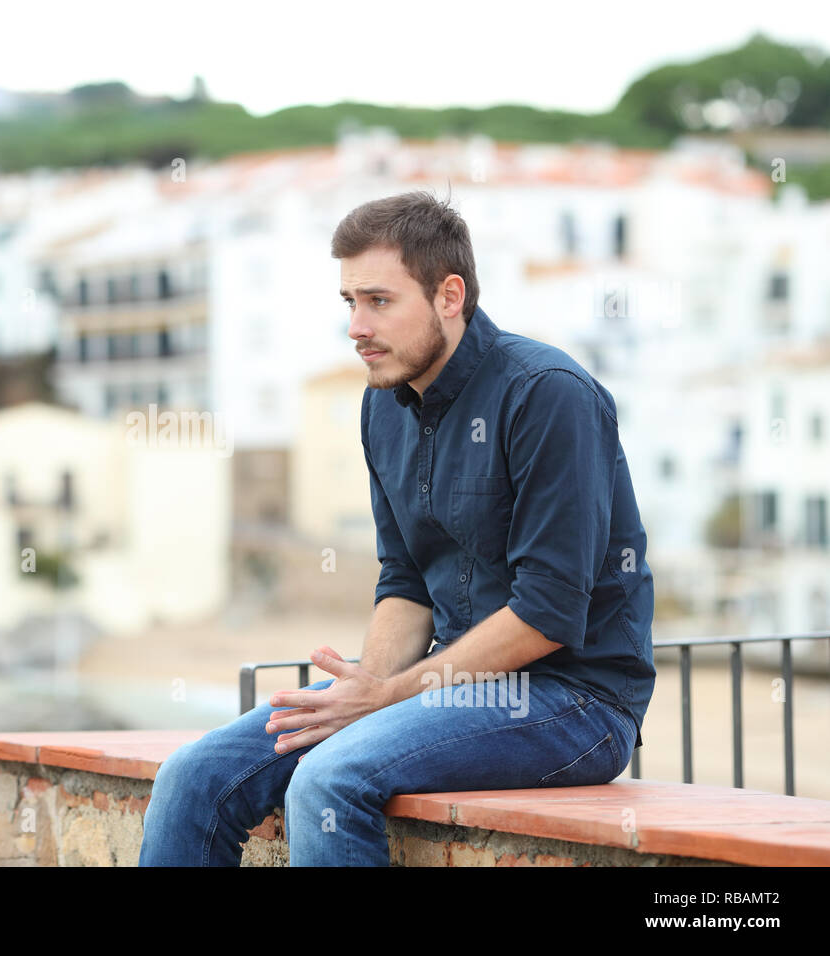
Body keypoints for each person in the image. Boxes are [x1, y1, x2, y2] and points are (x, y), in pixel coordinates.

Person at [138, 190, 655, 866]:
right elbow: (406, 578)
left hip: (575, 700)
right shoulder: (383, 406)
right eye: (349, 301)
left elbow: (549, 613)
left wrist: (385, 695)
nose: (356, 326)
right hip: (446, 688)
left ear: (449, 295)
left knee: (331, 776)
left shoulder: (547, 394)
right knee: (192, 776)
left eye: (378, 301)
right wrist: (364, 688)